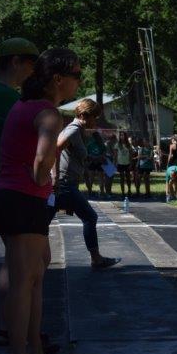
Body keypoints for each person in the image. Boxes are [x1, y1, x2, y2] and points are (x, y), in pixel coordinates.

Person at [0, 48, 81, 354]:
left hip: (9, 197)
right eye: (76, 75)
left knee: (34, 276)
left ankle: (33, 350)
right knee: (25, 281)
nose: (78, 82)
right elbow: (42, 159)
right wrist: (41, 178)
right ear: (58, 79)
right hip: (22, 199)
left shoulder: (22, 105)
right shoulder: (50, 114)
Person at [0, 38, 40, 350]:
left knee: (14, 260)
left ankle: (8, 327)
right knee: (26, 264)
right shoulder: (4, 97)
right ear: (15, 62)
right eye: (31, 64)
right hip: (9, 185)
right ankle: (20, 334)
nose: (33, 71)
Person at [56, 99, 120, 269]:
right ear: (84, 115)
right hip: (64, 184)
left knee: (42, 221)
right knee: (90, 217)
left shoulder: (78, 131)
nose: (95, 121)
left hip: (67, 183)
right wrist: (54, 178)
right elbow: (55, 149)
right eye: (94, 117)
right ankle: (96, 259)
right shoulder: (73, 129)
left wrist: (93, 158)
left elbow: (73, 154)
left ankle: (28, 258)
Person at [84, 130, 106, 198]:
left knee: (98, 178)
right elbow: (87, 154)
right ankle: (91, 192)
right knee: (94, 178)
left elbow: (103, 154)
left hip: (98, 162)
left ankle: (100, 192)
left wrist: (95, 158)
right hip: (93, 162)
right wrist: (95, 158)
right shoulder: (90, 144)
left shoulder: (102, 145)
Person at [115, 132, 132, 196]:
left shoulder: (128, 145)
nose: (122, 136)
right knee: (122, 178)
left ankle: (129, 190)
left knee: (128, 178)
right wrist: (116, 163)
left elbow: (130, 154)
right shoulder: (117, 144)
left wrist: (130, 163)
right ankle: (122, 192)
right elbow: (115, 155)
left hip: (127, 163)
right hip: (120, 163)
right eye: (121, 135)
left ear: (125, 136)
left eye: (123, 135)